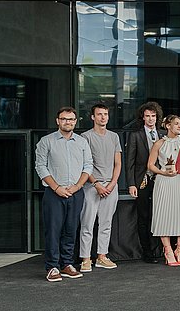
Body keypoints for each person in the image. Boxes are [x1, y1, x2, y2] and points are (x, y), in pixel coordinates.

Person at [35, 107, 93, 282]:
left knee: (70, 229)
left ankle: (67, 264)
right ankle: (52, 266)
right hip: (54, 193)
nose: (68, 122)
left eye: (71, 119)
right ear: (57, 121)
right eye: (64, 119)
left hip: (76, 192)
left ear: (76, 121)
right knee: (53, 230)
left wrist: (77, 186)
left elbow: (88, 166)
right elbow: (40, 166)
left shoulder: (82, 142)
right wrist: (56, 187)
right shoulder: (46, 141)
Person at [78, 103, 122, 273]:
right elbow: (84, 164)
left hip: (110, 186)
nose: (103, 117)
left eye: (105, 114)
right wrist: (96, 184)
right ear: (92, 117)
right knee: (87, 223)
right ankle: (86, 259)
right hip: (91, 186)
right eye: (99, 114)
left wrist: (111, 184)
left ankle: (102, 257)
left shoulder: (114, 137)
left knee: (106, 223)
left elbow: (118, 163)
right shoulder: (85, 137)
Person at [148, 115, 180, 267]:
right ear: (167, 126)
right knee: (164, 214)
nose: (179, 126)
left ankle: (179, 250)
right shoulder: (159, 143)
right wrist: (162, 173)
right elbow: (151, 165)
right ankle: (167, 250)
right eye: (176, 123)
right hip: (164, 181)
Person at [125, 101, 164, 263]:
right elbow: (130, 162)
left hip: (162, 180)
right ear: (142, 117)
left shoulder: (164, 134)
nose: (150, 119)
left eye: (153, 116)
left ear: (157, 117)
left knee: (162, 214)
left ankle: (161, 250)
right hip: (143, 180)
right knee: (144, 216)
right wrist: (131, 184)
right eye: (147, 116)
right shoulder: (135, 135)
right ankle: (147, 252)